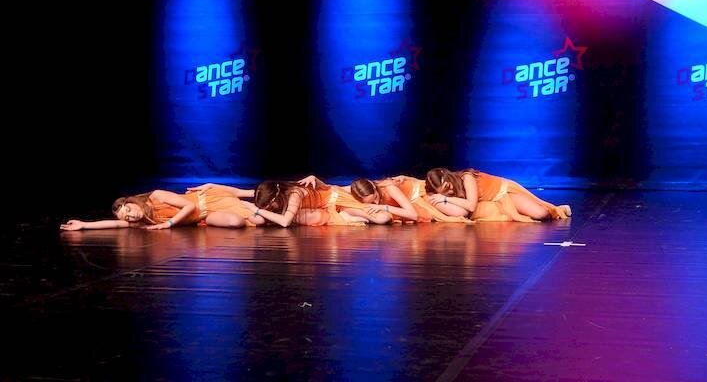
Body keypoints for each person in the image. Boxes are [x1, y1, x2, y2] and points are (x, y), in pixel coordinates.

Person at [188, 175, 390, 227]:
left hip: (335, 200)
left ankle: (353, 215)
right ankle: (349, 216)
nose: (268, 209)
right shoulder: (275, 191)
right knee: (302, 217)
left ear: (276, 199)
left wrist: (256, 210)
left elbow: (285, 222)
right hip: (324, 205)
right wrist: (211, 184)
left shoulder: (294, 195)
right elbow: (239, 192)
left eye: (269, 206)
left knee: (380, 218)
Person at [59, 186, 260, 231]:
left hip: (207, 202)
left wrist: (168, 224)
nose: (131, 216)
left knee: (258, 220)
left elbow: (189, 206)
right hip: (204, 217)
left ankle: (248, 203)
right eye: (127, 217)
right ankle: (245, 207)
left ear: (132, 202)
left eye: (128, 210)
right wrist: (84, 225)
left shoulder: (156, 196)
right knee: (236, 223)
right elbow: (116, 224)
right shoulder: (144, 221)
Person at [424, 168, 572, 222]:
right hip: (493, 202)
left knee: (541, 213)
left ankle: (557, 209)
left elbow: (471, 206)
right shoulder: (448, 192)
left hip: (504, 192)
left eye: (447, 187)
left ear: (448, 177)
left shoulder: (466, 178)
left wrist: (445, 199)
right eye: (444, 192)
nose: (449, 192)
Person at [349, 176, 473, 223]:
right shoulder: (361, 191)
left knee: (460, 213)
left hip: (420, 195)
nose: (375, 203)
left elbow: (413, 214)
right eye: (372, 202)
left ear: (375, 188)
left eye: (375, 198)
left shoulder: (389, 188)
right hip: (409, 202)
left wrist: (382, 207)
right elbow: (344, 189)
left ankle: (455, 198)